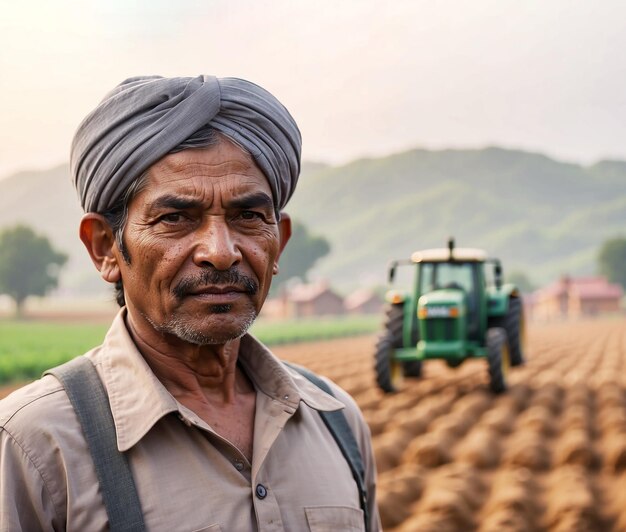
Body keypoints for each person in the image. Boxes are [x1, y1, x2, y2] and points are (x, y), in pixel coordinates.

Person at [0, 75, 380, 531]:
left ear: (278, 244)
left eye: (247, 217)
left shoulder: (336, 422)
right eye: (176, 218)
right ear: (105, 247)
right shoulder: (33, 447)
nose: (221, 251)